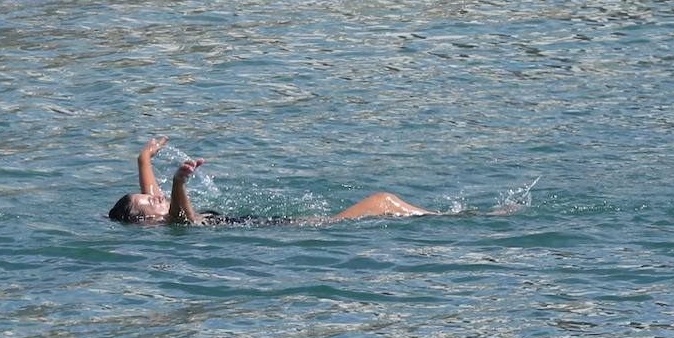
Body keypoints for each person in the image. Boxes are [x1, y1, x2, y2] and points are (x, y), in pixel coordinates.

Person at [108, 136, 433, 225]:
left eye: (150, 194)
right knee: (384, 201)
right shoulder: (171, 223)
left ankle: (439, 220)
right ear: (145, 223)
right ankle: (446, 221)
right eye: (149, 202)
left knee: (386, 204)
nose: (154, 195)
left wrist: (144, 158)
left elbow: (152, 196)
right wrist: (179, 183)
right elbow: (183, 219)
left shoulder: (154, 214)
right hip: (290, 229)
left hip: (279, 223)